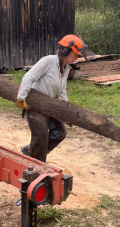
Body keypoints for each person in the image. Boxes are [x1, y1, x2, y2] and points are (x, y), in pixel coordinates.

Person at [15, 34, 95, 162]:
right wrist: (21, 98)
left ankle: (31, 151)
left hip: (50, 106)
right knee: (41, 135)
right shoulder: (48, 61)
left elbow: (61, 91)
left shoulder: (67, 68)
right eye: (75, 54)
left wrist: (65, 112)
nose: (77, 57)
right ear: (66, 50)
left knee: (60, 133)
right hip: (35, 105)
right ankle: (38, 165)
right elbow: (28, 77)